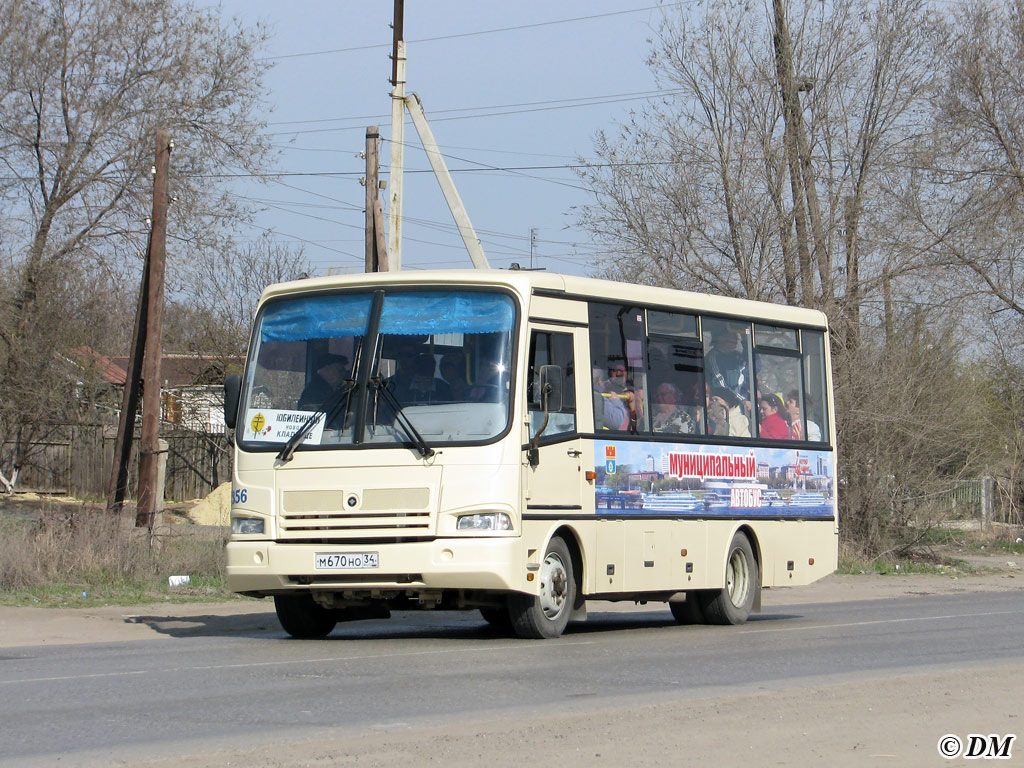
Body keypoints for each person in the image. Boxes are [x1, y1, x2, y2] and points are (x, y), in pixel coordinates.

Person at [604, 358, 641, 431]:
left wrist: (632, 408)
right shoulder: (603, 392)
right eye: (615, 371)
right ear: (610, 373)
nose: (618, 374)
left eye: (621, 371)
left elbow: (638, 425)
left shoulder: (635, 394)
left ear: (627, 373)